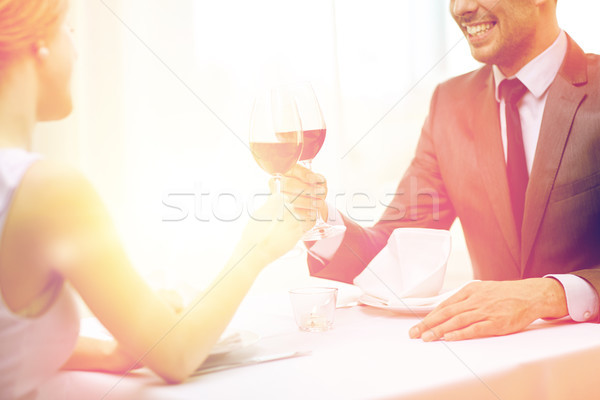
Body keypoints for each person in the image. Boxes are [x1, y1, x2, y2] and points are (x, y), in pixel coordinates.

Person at [0, 0, 306, 397]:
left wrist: (111, 353)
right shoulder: (47, 189)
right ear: (39, 42)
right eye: (68, 30)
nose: (75, 49)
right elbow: (176, 356)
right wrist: (256, 249)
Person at [284, 0, 600, 341]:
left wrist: (549, 295)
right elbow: (394, 248)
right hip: (498, 372)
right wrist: (320, 218)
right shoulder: (450, 104)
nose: (461, 7)